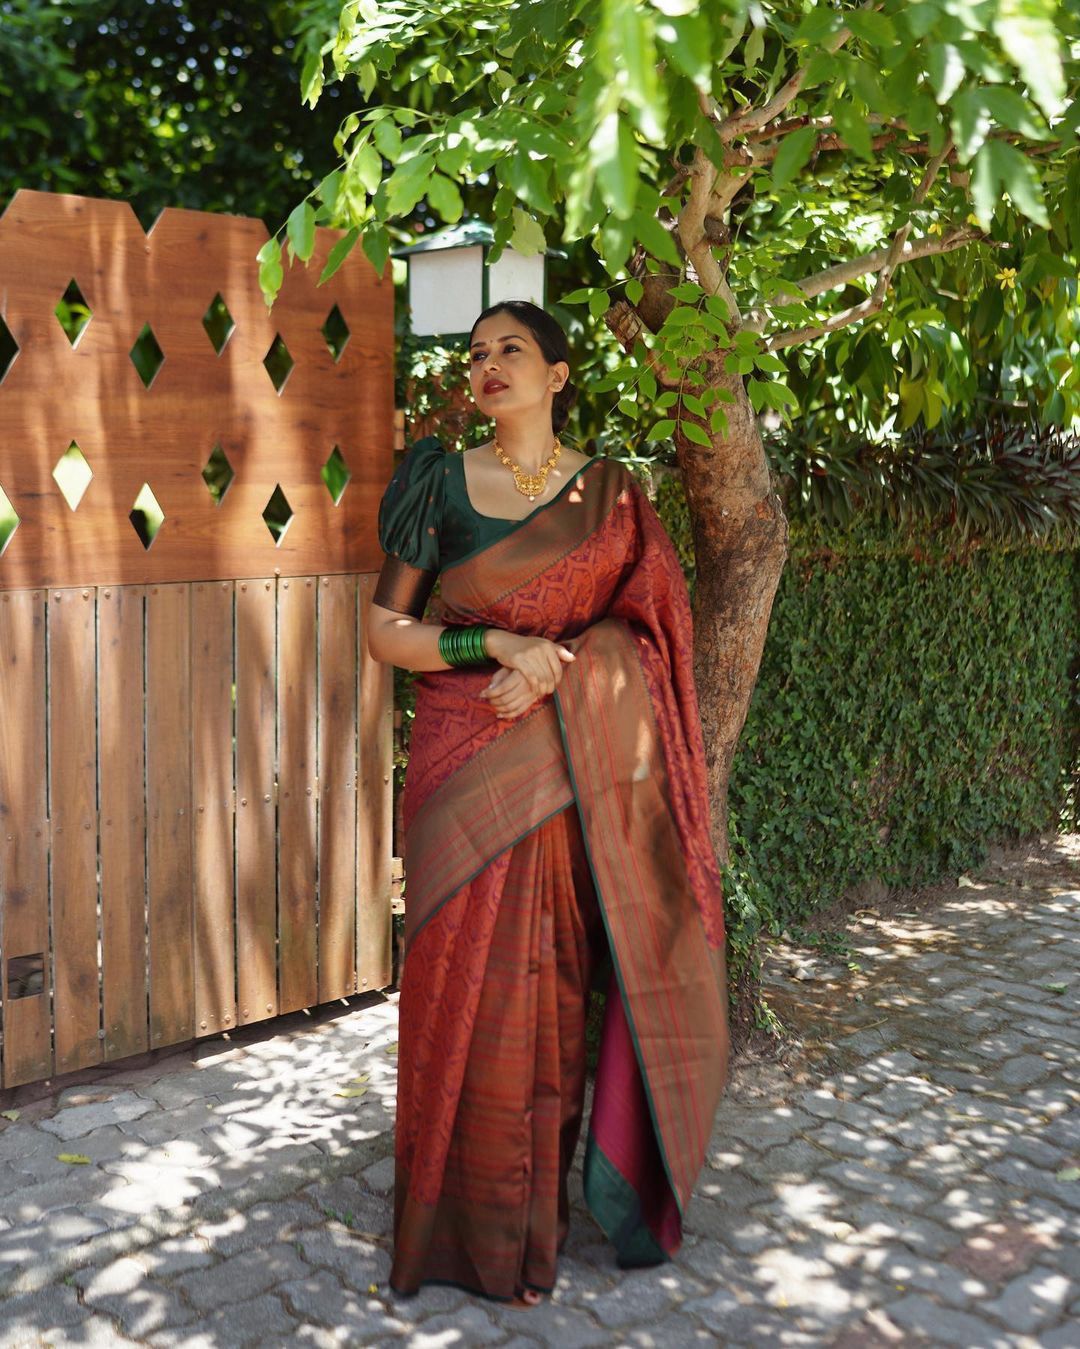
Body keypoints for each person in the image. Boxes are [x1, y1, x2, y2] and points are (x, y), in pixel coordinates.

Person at [367, 299, 731, 1306]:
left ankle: (531, 1223)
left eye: (511, 349)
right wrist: (500, 644)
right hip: (458, 764)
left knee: (552, 988)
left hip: (569, 777)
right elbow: (386, 630)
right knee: (455, 989)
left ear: (559, 373)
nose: (487, 365)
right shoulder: (435, 479)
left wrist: (564, 668)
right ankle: (449, 1226)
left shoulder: (613, 496)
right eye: (477, 353)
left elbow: (649, 635)